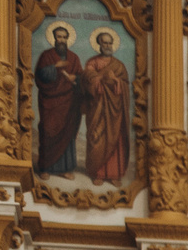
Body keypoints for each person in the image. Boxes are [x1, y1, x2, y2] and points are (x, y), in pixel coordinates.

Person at [81, 30, 130, 185]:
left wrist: (116, 81)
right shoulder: (92, 62)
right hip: (98, 109)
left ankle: (114, 174)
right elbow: (88, 78)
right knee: (97, 138)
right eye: (105, 42)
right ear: (99, 44)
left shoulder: (119, 66)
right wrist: (101, 78)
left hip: (115, 110)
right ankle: (98, 173)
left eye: (110, 42)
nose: (108, 45)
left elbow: (125, 86)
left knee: (116, 140)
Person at [34, 25, 83, 177]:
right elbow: (40, 75)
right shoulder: (46, 56)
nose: (61, 40)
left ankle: (66, 169)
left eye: (64, 37)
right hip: (50, 102)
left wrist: (76, 78)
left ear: (68, 39)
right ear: (54, 38)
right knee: (48, 132)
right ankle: (45, 168)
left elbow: (81, 77)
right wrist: (54, 67)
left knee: (67, 135)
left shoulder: (74, 58)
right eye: (58, 37)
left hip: (69, 102)